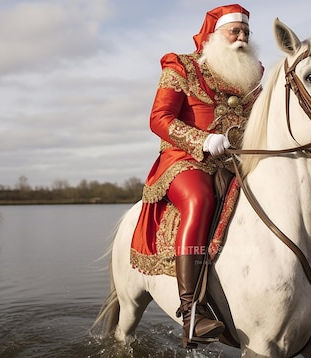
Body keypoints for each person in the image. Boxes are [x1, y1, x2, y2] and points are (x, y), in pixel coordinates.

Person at [129, 4, 263, 348]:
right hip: (184, 158)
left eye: (246, 32)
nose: (242, 38)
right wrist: (202, 140)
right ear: (215, 35)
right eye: (234, 31)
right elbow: (159, 118)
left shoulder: (254, 76)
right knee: (200, 197)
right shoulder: (182, 66)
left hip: (235, 163)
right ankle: (192, 312)